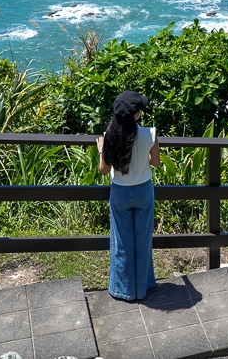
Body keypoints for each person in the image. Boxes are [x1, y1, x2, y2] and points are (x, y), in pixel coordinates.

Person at [97, 90, 160, 301]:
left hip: (120, 192)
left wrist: (101, 151)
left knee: (122, 242)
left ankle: (123, 290)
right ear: (136, 114)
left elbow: (104, 171)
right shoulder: (150, 134)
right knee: (143, 241)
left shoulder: (109, 137)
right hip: (143, 190)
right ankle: (143, 288)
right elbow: (156, 162)